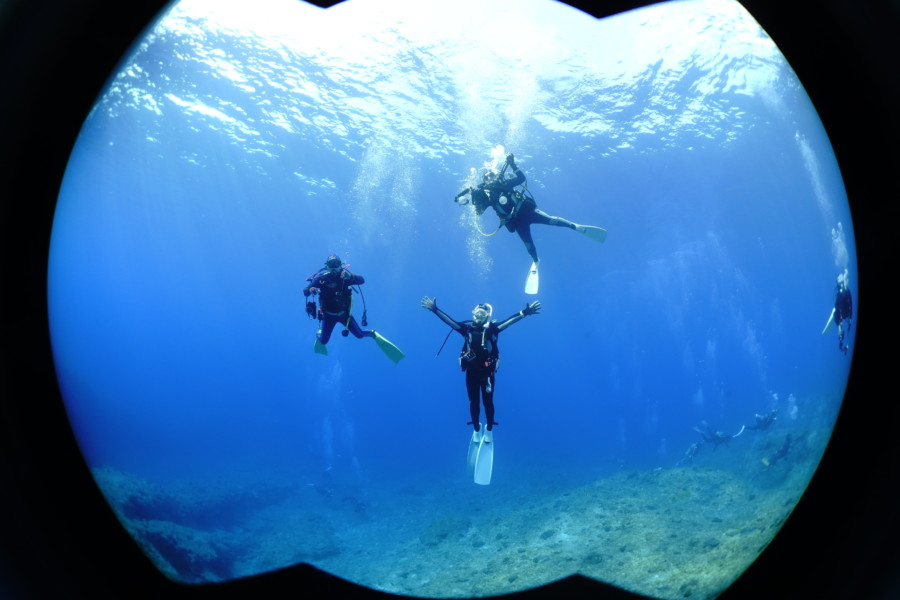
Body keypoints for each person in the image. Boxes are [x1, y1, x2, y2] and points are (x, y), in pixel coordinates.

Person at [453, 153, 605, 270]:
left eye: (491, 175)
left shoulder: (505, 183)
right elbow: (479, 212)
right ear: (484, 182)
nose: (490, 179)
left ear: (496, 175)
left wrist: (512, 164)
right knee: (527, 243)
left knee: (552, 220)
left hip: (527, 212)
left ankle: (574, 226)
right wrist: (475, 198)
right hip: (516, 222)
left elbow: (521, 178)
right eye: (486, 178)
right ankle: (535, 261)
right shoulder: (487, 196)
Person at [421, 296, 541, 434]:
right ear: (473, 313)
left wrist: (525, 312)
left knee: (487, 402)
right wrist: (434, 309)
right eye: (477, 313)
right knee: (473, 402)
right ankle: (476, 429)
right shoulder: (466, 329)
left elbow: (509, 321)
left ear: (487, 316)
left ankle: (489, 429)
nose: (479, 316)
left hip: (487, 373)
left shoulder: (493, 329)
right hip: (471, 372)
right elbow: (450, 321)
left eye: (482, 314)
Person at [303, 255, 404, 363]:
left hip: (344, 315)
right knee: (323, 341)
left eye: (336, 264)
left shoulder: (345, 277)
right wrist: (311, 289)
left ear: (340, 265)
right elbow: (305, 291)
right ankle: (319, 333)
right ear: (327, 266)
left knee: (360, 335)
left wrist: (350, 276)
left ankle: (373, 334)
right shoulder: (321, 279)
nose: (334, 268)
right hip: (328, 316)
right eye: (331, 265)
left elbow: (362, 280)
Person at [833, 269, 853, 355]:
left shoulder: (844, 286)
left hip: (845, 312)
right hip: (844, 312)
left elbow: (845, 281)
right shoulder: (840, 290)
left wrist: (846, 273)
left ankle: (841, 340)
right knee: (838, 319)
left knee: (838, 318)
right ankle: (841, 340)